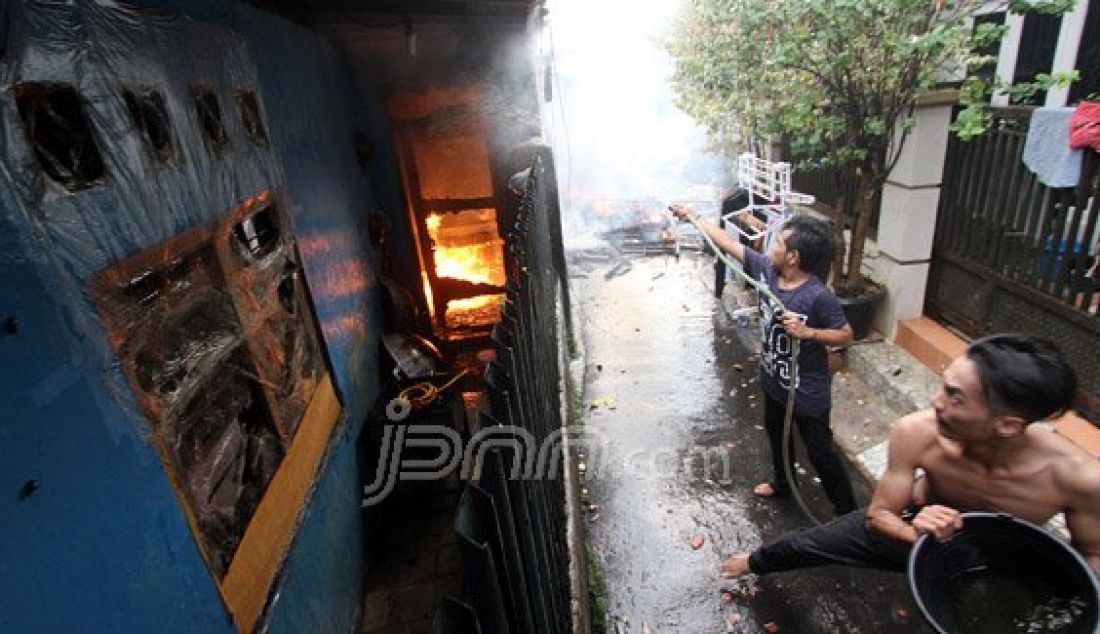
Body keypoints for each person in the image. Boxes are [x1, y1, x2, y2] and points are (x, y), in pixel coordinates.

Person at [718, 333, 1100, 579]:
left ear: (1009, 425)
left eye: (955, 397)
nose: (935, 402)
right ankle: (753, 562)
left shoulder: (1079, 478)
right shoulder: (917, 433)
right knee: (805, 543)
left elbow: (1092, 557)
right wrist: (916, 533)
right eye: (943, 387)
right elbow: (879, 516)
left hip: (999, 559)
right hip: (912, 528)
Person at [670, 205, 857, 515]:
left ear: (794, 257)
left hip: (807, 392)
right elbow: (729, 244)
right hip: (774, 382)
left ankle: (848, 512)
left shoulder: (817, 296)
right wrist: (693, 216)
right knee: (776, 434)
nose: (771, 245)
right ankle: (783, 484)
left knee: (820, 452)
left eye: (779, 242)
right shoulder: (767, 272)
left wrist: (808, 332)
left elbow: (845, 335)